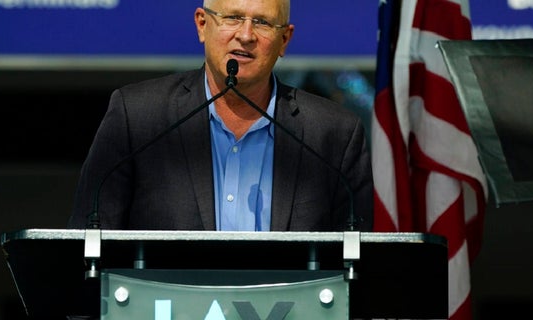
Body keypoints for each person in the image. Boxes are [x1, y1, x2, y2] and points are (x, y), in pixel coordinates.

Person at [67, 0, 373, 232]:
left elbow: (361, 268)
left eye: (263, 23)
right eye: (233, 18)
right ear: (202, 24)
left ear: (285, 41)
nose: (246, 35)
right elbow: (86, 242)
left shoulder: (333, 135)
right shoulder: (138, 117)